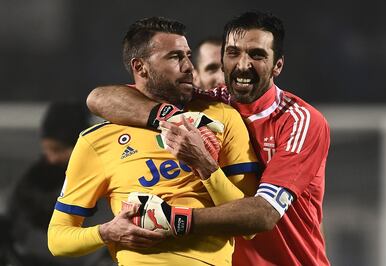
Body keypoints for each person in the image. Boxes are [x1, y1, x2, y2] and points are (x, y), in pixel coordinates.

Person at [87, 11, 331, 266]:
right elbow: (99, 98)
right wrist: (168, 116)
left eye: (257, 55)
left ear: (277, 65)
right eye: (233, 53)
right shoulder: (207, 104)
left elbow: (264, 215)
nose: (243, 65)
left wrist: (174, 220)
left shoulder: (299, 121)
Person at [48, 17, 259, 266]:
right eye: (175, 57)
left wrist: (204, 164)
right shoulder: (96, 141)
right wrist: (107, 232)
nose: (189, 66)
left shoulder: (219, 117)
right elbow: (57, 239)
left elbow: (249, 223)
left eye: (188, 55)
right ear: (140, 67)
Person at [7, 102, 113, 266]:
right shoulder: (36, 178)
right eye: (46, 150)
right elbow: (14, 212)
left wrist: (23, 237)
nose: (51, 158)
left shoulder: (102, 180)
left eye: (58, 150)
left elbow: (90, 250)